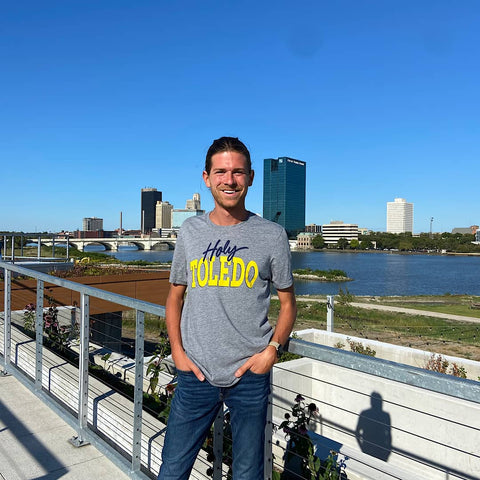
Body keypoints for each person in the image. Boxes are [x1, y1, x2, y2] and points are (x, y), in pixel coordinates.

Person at [158, 136, 296, 480]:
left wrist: (272, 350)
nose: (229, 180)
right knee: (173, 468)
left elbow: (288, 302)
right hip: (195, 371)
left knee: (248, 472)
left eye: (237, 172)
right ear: (207, 178)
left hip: (250, 373)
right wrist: (178, 352)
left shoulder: (272, 235)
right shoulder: (190, 231)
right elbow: (175, 296)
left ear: (250, 177)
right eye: (221, 172)